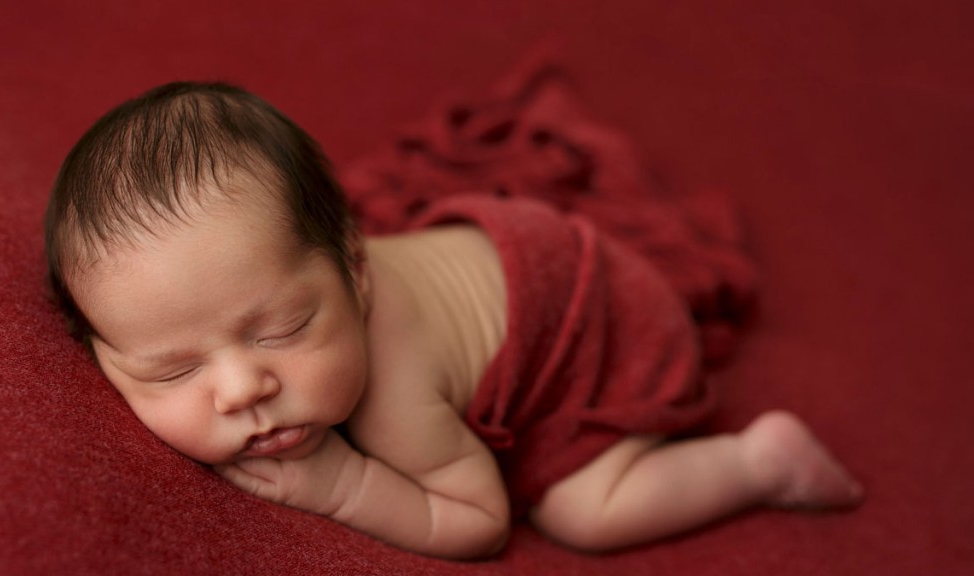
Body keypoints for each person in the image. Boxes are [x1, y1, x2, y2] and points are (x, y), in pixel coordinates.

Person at [44, 81, 863, 560]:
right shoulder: (272, 289)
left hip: (606, 329)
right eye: (171, 370)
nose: (242, 387)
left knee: (584, 515)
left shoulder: (393, 390)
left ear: (356, 276)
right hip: (515, 252)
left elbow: (478, 521)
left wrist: (343, 484)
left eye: (284, 330)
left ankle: (760, 463)